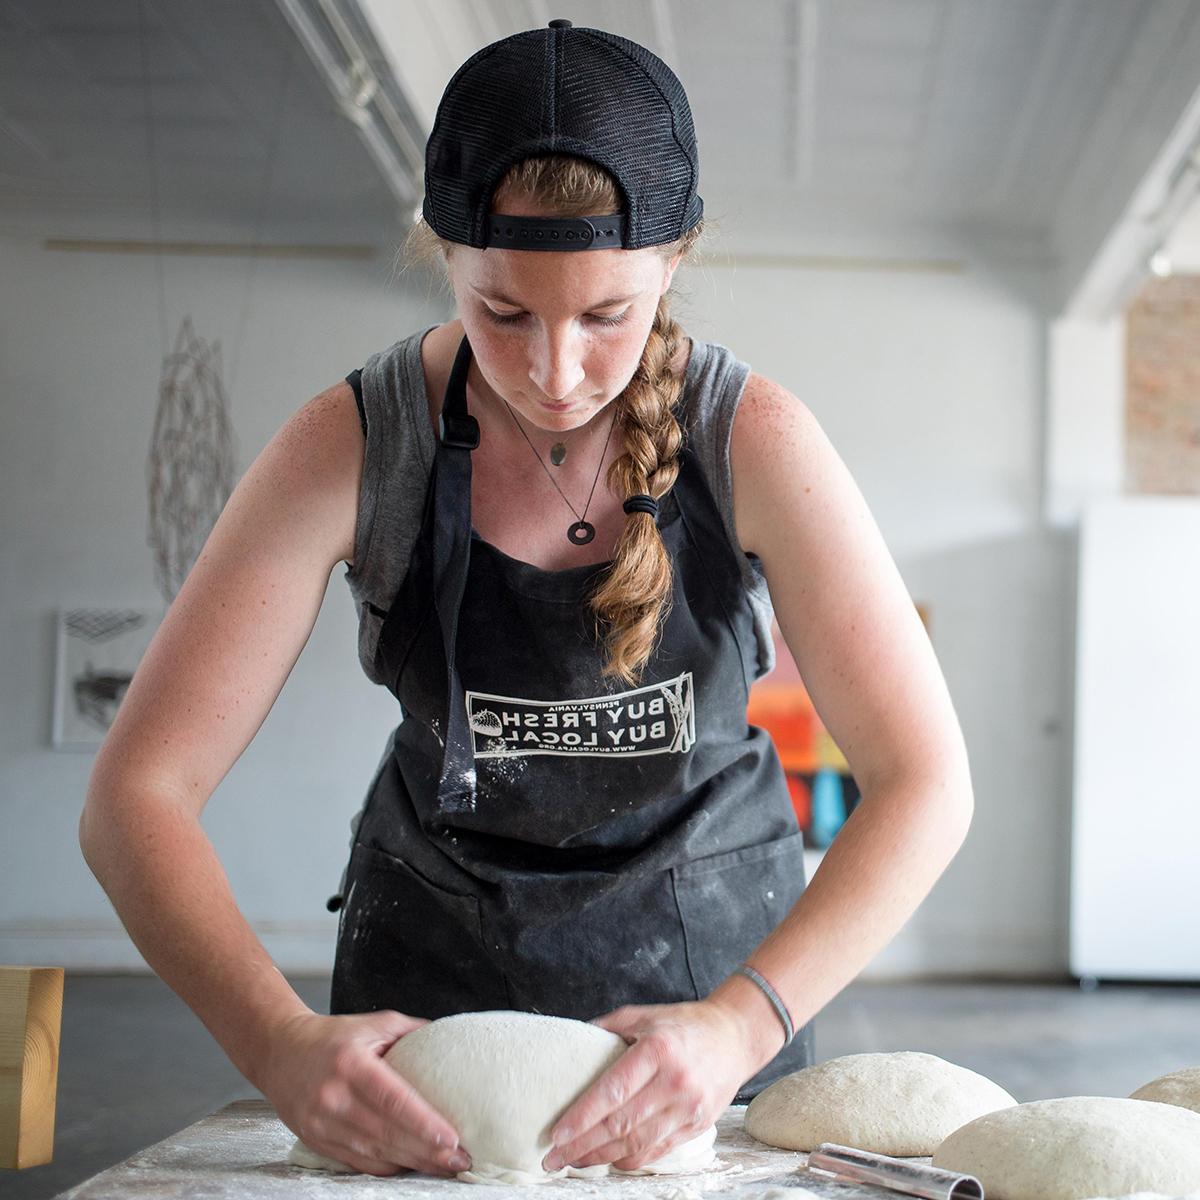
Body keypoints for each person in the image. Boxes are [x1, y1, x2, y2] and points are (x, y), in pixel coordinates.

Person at [80, 18, 973, 1183]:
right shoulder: (353, 445)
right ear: (440, 253)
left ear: (673, 261)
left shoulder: (754, 440)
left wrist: (745, 1023)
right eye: (504, 312)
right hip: (431, 1040)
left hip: (711, 1027)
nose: (555, 373)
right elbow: (135, 796)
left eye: (607, 317)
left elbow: (927, 785)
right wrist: (278, 1042)